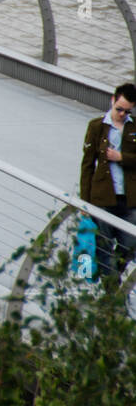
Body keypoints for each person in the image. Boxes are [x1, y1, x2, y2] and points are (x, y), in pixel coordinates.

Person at [80, 82, 136, 277]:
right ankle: (112, 292)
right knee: (103, 245)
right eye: (119, 109)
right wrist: (84, 202)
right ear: (112, 100)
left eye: (126, 111)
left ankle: (113, 279)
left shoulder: (134, 128)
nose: (122, 114)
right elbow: (87, 166)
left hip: (129, 199)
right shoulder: (96, 127)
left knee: (130, 244)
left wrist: (122, 158)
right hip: (103, 198)